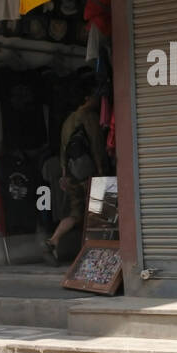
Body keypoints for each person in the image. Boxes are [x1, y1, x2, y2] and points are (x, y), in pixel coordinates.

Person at [45, 89, 106, 263]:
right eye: (95, 97)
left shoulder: (67, 121)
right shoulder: (88, 116)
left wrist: (64, 173)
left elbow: (63, 149)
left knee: (75, 211)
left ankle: (54, 240)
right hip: (89, 173)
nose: (98, 100)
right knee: (97, 211)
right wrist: (101, 171)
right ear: (87, 98)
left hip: (72, 173)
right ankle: (94, 252)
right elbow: (97, 145)